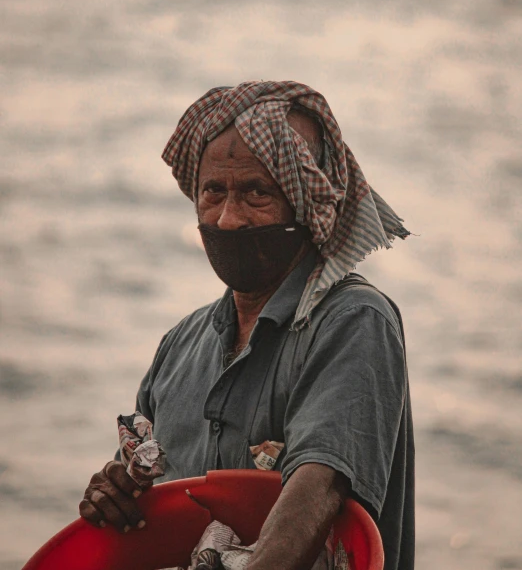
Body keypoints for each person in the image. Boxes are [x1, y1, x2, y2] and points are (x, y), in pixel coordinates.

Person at [79, 81, 415, 570]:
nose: (229, 219)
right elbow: (151, 515)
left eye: (257, 192)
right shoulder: (179, 347)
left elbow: (319, 487)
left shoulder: (353, 322)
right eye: (213, 192)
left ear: (306, 206)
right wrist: (115, 495)